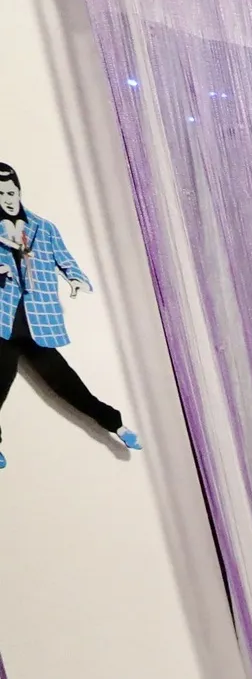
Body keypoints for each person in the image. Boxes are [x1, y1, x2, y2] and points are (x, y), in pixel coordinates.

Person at [0, 162, 140, 467]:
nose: (6, 199)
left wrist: (76, 279)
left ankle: (116, 425)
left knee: (66, 383)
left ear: (19, 191)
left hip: (38, 322)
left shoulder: (43, 228)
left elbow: (66, 260)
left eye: (10, 192)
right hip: (4, 324)